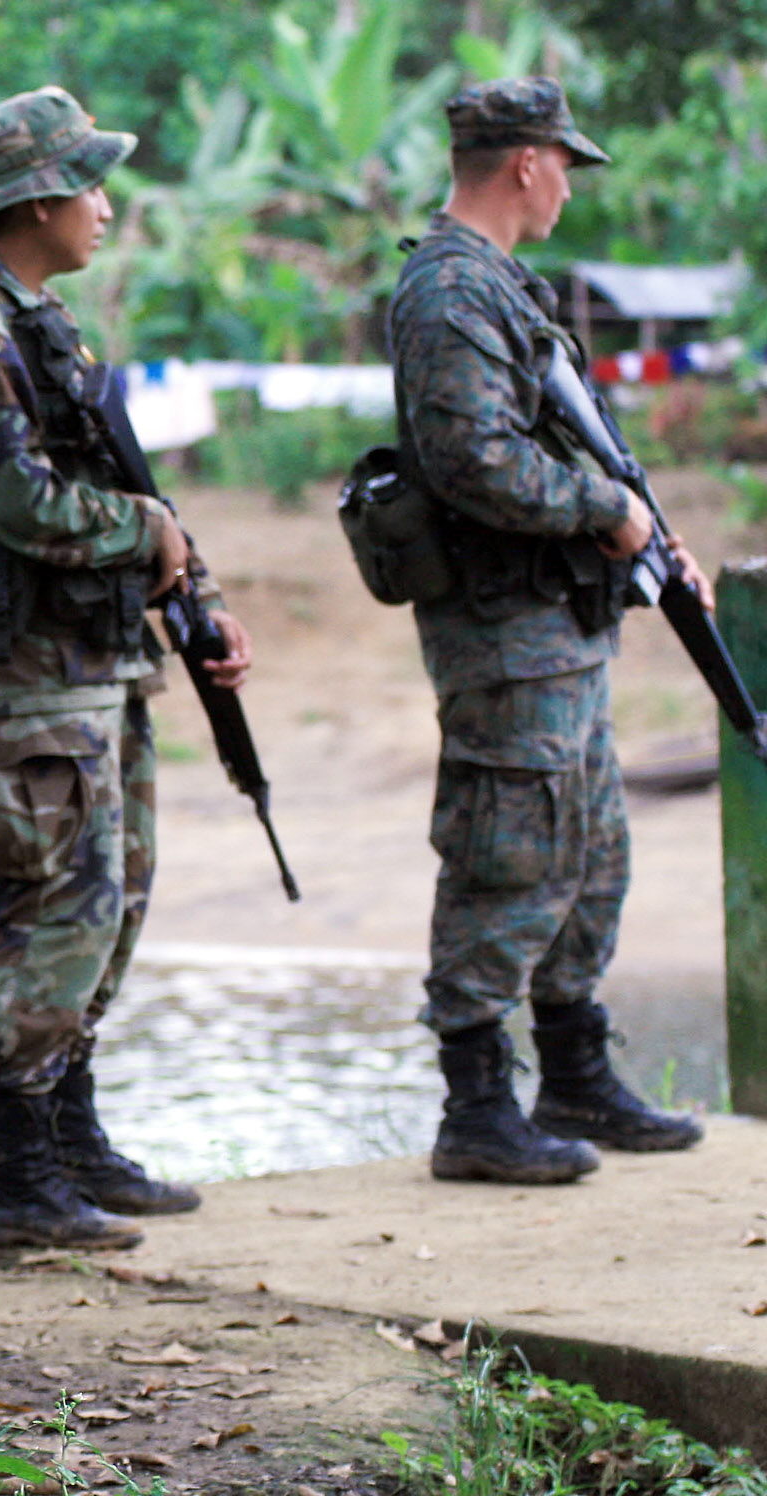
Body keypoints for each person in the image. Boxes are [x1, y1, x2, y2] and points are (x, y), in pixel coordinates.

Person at [0, 88, 255, 1251]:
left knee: (110, 902)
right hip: (33, 677)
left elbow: (114, 472)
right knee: (53, 907)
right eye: (92, 187)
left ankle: (75, 1136)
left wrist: (189, 587)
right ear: (40, 200)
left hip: (100, 661)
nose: (105, 207)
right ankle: (24, 1173)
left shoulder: (40, 318)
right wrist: (138, 530)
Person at [387, 77, 705, 1184]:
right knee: (504, 855)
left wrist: (650, 534)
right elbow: (472, 460)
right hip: (503, 630)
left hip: (558, 625)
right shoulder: (448, 293)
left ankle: (572, 1071)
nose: (568, 183)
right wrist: (603, 512)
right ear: (523, 163)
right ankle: (476, 1105)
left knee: (587, 854)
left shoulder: (504, 288)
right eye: (564, 163)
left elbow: (581, 450)